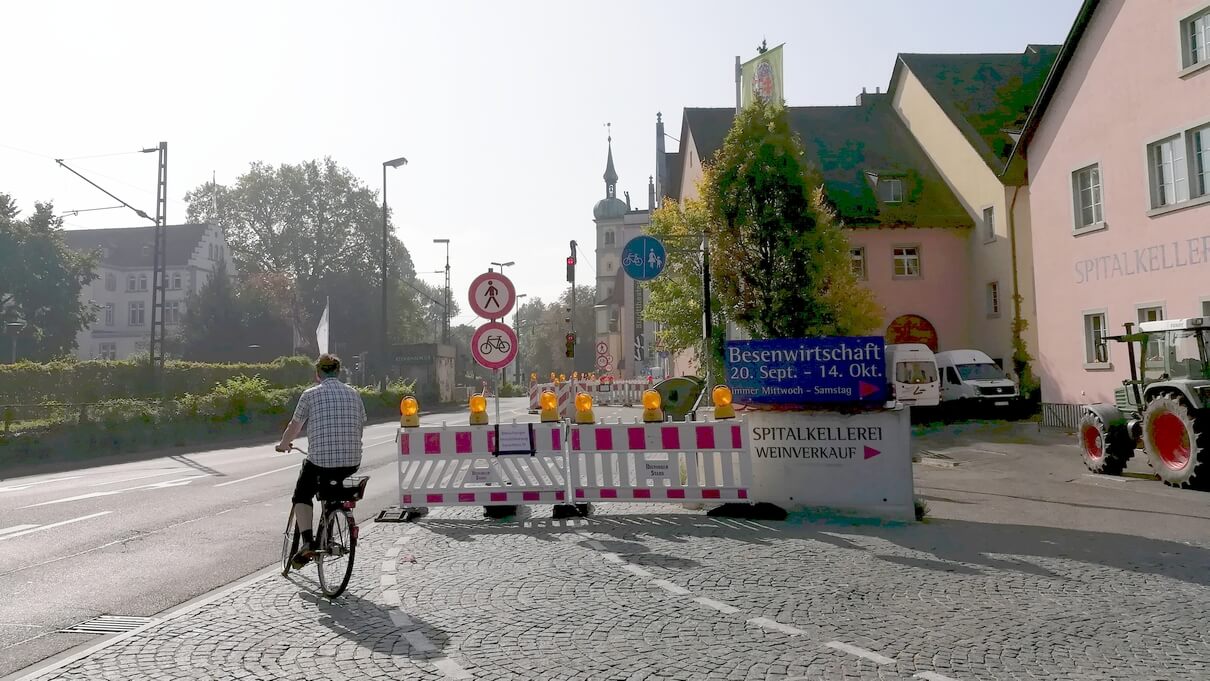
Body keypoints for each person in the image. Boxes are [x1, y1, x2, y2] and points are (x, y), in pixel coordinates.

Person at [276, 354, 366, 568]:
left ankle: (308, 542)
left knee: (301, 495)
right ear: (338, 372)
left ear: (318, 374)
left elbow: (295, 426)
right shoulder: (354, 394)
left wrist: (284, 444)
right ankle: (331, 525)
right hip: (351, 461)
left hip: (320, 462)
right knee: (333, 487)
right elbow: (360, 425)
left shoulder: (310, 395)